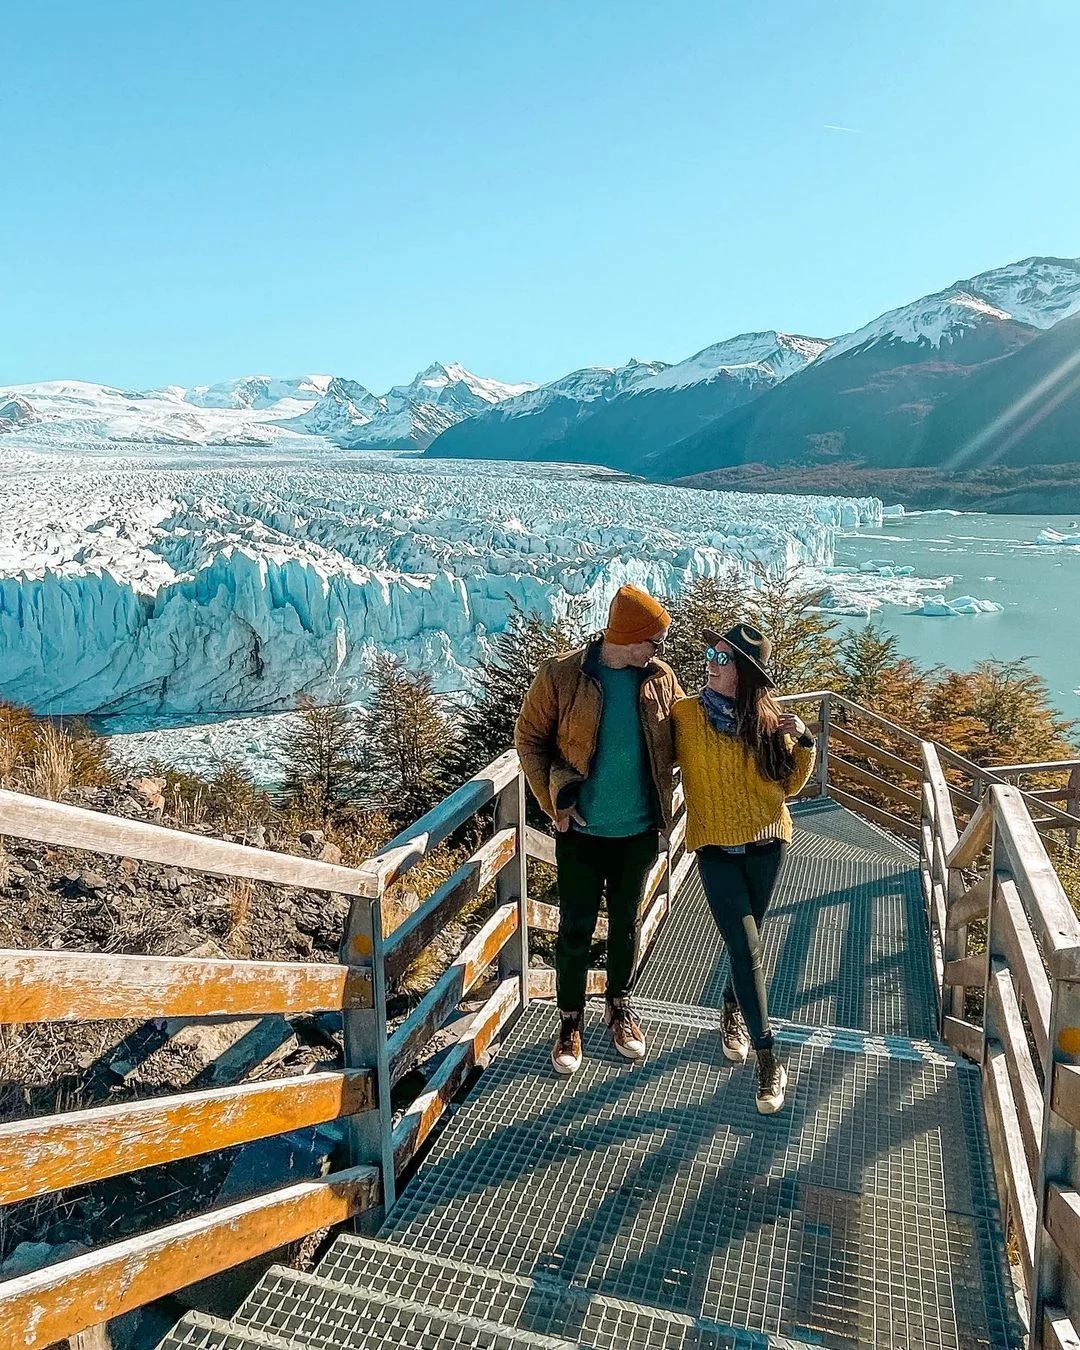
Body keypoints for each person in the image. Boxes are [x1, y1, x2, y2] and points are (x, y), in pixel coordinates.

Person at [515, 583, 683, 1075]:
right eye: (653, 640)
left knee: (625, 925)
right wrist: (554, 802)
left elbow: (685, 736)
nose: (659, 650)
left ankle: (619, 1007)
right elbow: (529, 738)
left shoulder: (659, 679)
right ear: (628, 637)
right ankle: (570, 1021)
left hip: (638, 832)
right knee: (575, 930)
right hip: (581, 833)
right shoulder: (563, 675)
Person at [672, 622, 816, 1114]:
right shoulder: (686, 716)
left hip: (768, 845)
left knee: (747, 944)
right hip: (714, 850)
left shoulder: (768, 718)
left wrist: (806, 743)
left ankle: (732, 1008)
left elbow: (790, 786)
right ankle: (769, 1057)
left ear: (746, 674)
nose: (710, 661)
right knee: (745, 944)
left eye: (723, 657)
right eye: (710, 652)